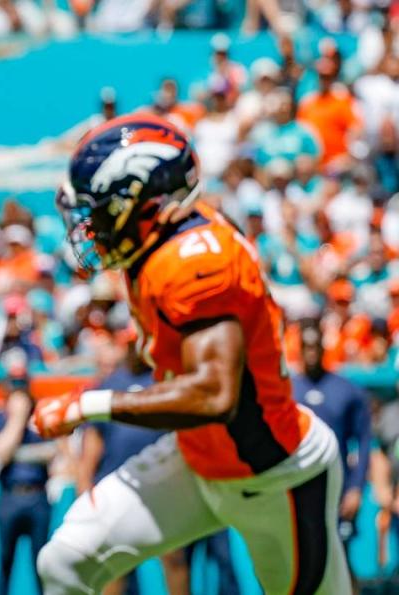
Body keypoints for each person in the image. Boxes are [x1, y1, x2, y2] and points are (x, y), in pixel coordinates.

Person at [35, 114, 350, 594]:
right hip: (200, 458)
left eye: (99, 211)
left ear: (142, 203)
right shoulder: (155, 246)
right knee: (65, 561)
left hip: (275, 477)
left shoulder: (195, 261)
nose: (90, 227)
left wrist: (89, 405)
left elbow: (213, 394)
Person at [72, 347, 192, 595]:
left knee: (175, 559)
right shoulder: (107, 386)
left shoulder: (164, 382)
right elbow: (91, 448)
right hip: (116, 490)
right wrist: (85, 491)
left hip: (162, 488)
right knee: (114, 565)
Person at [292, 320, 371, 576]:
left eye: (316, 346)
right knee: (298, 565)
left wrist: (356, 487)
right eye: (306, 346)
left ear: (324, 347)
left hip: (336, 489)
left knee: (341, 564)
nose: (311, 352)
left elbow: (363, 439)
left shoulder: (347, 390)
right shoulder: (288, 390)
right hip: (298, 488)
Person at [0, 366, 55, 595]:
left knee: (42, 563)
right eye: (14, 386)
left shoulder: (42, 418)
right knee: (4, 562)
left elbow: (57, 453)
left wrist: (17, 451)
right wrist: (17, 419)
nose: (19, 392)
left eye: (22, 385)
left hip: (38, 496)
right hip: (10, 496)